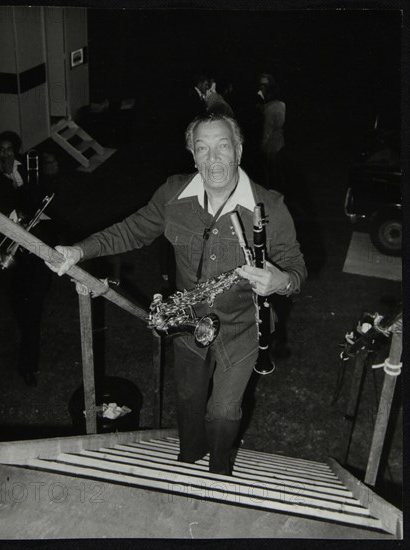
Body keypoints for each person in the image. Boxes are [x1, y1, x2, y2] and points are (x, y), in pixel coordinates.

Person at [45, 113, 306, 475]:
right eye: (202, 148)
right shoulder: (172, 194)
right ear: (193, 155)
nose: (213, 158)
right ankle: (190, 457)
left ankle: (218, 471)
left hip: (242, 328)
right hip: (189, 324)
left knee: (223, 410)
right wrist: (79, 251)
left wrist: (280, 281)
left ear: (240, 150)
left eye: (223, 146)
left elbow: (297, 269)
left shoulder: (271, 207)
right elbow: (131, 230)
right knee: (188, 399)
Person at [0, 132, 56, 386]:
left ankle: (28, 362)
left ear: (16, 151)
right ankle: (27, 359)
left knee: (32, 312)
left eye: (9, 149)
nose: (5, 154)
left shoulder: (30, 175)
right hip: (10, 259)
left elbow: (40, 201)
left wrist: (19, 180)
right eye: (0, 150)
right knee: (24, 314)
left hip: (34, 252)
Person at [256, 73, 286, 189]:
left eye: (263, 86)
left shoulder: (270, 108)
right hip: (279, 144)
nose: (260, 89)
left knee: (271, 178)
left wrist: (261, 147)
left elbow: (267, 132)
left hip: (271, 147)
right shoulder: (280, 105)